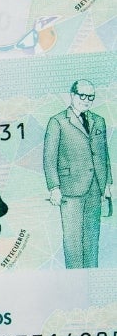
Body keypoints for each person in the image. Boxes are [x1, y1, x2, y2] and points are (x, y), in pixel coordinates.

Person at [44, 79, 112, 269]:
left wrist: (107, 184)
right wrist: (54, 187)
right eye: (82, 95)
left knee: (92, 237)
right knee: (73, 239)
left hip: (95, 187)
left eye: (90, 97)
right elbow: (49, 158)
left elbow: (104, 154)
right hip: (70, 189)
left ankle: (91, 275)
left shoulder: (99, 121)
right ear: (72, 95)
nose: (86, 100)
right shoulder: (57, 122)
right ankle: (74, 279)